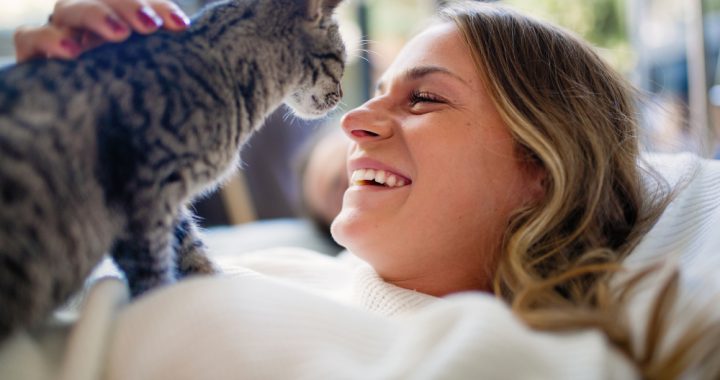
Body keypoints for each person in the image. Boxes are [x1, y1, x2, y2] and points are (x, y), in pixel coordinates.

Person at [6, 0, 720, 379]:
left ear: (542, 170)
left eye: (425, 100)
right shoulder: (286, 271)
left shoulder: (513, 359)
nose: (354, 118)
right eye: (375, 92)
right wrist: (81, 134)